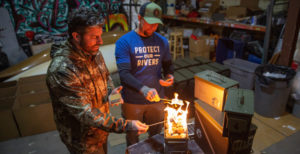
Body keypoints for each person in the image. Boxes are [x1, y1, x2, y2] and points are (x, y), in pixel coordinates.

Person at [46, 7, 148, 154]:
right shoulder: (62, 70)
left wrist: (111, 92)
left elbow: (105, 76)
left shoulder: (93, 51)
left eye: (100, 35)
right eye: (94, 37)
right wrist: (125, 125)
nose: (100, 41)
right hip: (82, 139)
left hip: (100, 130)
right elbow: (86, 114)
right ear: (76, 36)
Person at [115, 2, 174, 146]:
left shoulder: (162, 41)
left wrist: (169, 76)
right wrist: (143, 89)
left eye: (156, 24)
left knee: (156, 134)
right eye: (149, 23)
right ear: (139, 18)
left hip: (156, 100)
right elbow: (124, 74)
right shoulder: (124, 42)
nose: (153, 28)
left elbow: (168, 65)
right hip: (132, 100)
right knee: (133, 138)